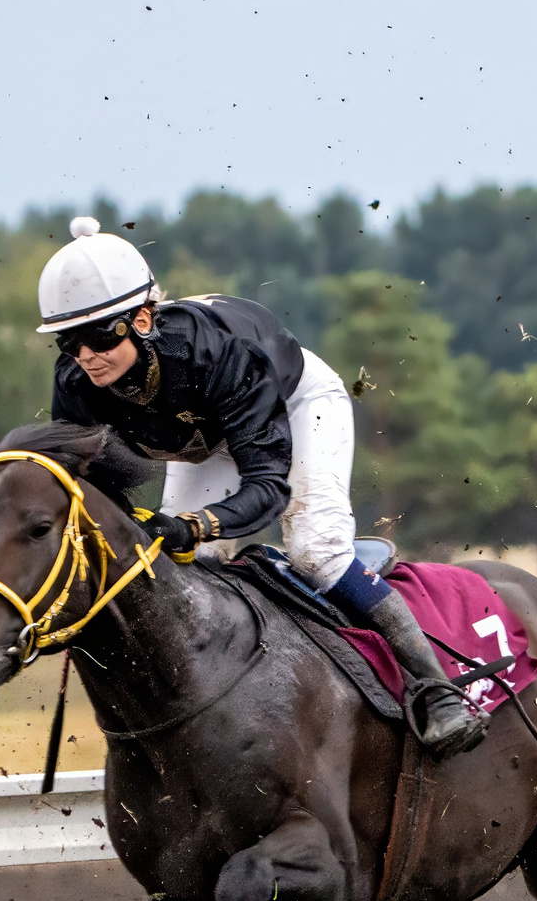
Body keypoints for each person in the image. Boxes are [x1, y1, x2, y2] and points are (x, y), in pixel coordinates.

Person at [37, 217, 483, 751]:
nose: (86, 356)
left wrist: (193, 525)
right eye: (69, 342)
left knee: (315, 551)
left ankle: (438, 690)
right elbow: (91, 493)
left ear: (143, 319)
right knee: (180, 572)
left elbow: (269, 488)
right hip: (208, 439)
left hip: (294, 403)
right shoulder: (76, 383)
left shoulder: (217, 352)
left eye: (99, 336)